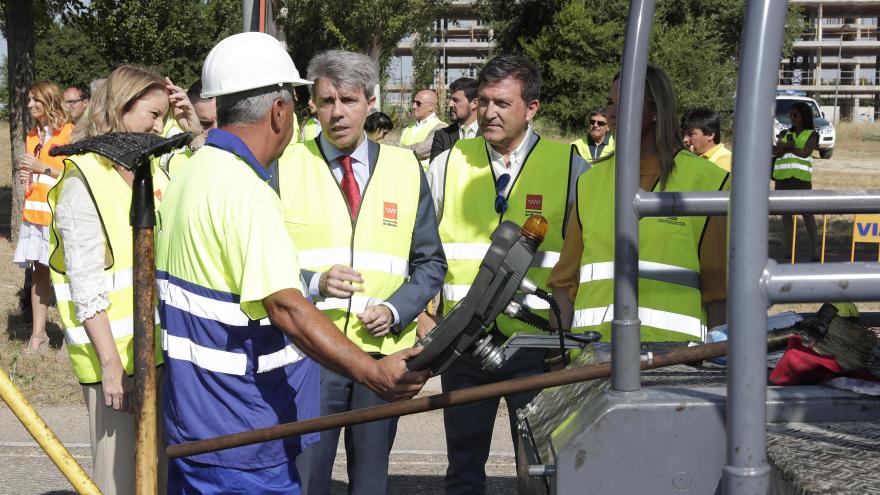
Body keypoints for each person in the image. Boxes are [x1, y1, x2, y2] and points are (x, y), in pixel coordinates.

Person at [156, 34, 430, 494]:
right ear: (281, 111)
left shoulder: (191, 174)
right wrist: (373, 371)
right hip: (245, 430)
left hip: (195, 421)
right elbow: (284, 306)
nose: (334, 111)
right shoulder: (247, 189)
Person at [278, 49, 446, 495]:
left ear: (371, 102)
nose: (337, 113)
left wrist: (397, 309)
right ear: (311, 104)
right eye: (327, 101)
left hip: (382, 355)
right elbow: (262, 264)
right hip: (310, 354)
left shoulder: (406, 167)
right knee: (307, 478)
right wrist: (313, 281)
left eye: (348, 100)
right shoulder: (286, 166)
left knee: (371, 482)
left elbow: (431, 263)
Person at [425, 55, 587, 495]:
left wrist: (565, 327)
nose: (489, 112)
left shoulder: (569, 165)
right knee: (462, 468)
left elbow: (584, 255)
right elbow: (422, 249)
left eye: (502, 103)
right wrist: (427, 318)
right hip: (464, 344)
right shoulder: (449, 162)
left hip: (535, 346)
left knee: (536, 471)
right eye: (483, 101)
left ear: (531, 108)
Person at [48, 63, 201, 494]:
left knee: (157, 475)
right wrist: (112, 366)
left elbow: (209, 174)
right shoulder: (83, 180)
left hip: (159, 353)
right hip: (114, 365)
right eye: (153, 115)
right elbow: (85, 286)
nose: (160, 126)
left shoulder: (152, 168)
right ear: (120, 107)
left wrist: (191, 127)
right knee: (119, 479)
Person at [550, 65, 730, 344]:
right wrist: (556, 355)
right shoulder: (589, 182)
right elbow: (564, 283)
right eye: (610, 103)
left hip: (673, 367)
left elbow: (720, 294)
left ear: (657, 109)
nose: (611, 113)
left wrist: (720, 365)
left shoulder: (710, 182)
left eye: (625, 103)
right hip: (592, 362)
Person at [14, 81, 74, 356]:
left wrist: (44, 169)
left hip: (59, 215)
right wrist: (29, 176)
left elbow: (75, 177)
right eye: (28, 100)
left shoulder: (69, 134)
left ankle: (70, 336)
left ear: (50, 100)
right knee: (39, 274)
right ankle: (38, 335)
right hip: (35, 215)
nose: (29, 105)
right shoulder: (32, 135)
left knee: (65, 275)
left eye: (34, 100)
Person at [772, 101, 820, 261]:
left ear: (803, 116)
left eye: (795, 114)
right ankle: (789, 248)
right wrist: (784, 146)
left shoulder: (812, 134)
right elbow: (777, 152)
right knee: (786, 215)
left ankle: (815, 248)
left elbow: (805, 152)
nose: (791, 117)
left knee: (807, 214)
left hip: (801, 180)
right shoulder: (785, 133)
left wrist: (788, 147)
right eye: (790, 114)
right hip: (783, 178)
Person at [163, 79, 217, 175]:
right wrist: (195, 136)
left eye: (223, 120)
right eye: (205, 124)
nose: (216, 129)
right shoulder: (173, 158)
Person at [430, 77, 479, 160]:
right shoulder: (442, 136)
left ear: (474, 103)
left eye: (456, 100)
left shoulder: (490, 134)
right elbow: (436, 170)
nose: (450, 104)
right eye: (450, 99)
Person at [399, 89, 446, 168]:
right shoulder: (408, 127)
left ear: (430, 107)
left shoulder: (441, 128)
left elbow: (419, 151)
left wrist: (397, 151)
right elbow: (394, 146)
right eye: (413, 102)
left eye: (418, 103)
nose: (414, 106)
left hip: (425, 178)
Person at [681, 107, 732, 171]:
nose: (685, 139)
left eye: (691, 134)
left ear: (710, 135)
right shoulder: (689, 156)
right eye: (683, 134)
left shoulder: (724, 159)